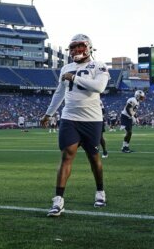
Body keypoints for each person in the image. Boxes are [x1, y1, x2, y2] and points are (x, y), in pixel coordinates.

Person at [40, 34, 110, 217]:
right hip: (69, 117)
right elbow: (59, 93)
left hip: (92, 120)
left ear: (88, 47)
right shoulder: (67, 67)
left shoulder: (99, 65)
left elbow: (99, 87)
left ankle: (100, 191)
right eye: (73, 47)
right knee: (67, 156)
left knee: (93, 157)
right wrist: (49, 113)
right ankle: (58, 200)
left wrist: (74, 78)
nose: (76, 50)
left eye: (80, 46)